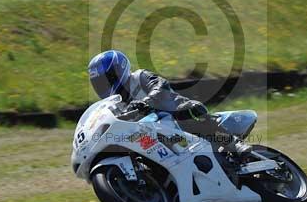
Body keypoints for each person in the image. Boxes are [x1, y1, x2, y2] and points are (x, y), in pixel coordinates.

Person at [87, 49, 251, 154]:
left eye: (108, 79)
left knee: (191, 110)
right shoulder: (116, 105)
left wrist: (146, 101)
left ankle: (233, 144)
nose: (105, 85)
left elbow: (160, 85)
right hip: (154, 136)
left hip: (175, 116)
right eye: (100, 83)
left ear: (119, 70)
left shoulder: (139, 77)